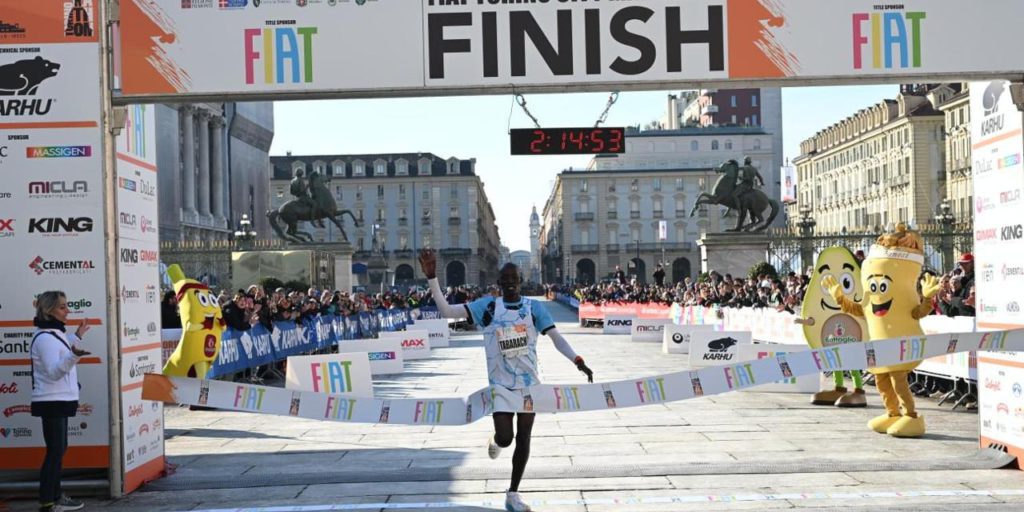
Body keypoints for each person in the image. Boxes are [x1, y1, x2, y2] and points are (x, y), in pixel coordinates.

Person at [417, 249, 593, 512]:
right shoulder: (488, 306)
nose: (510, 281)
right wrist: (432, 277)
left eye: (514, 277)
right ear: (499, 282)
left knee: (523, 438)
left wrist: (577, 360)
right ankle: (496, 441)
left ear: (520, 280)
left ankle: (513, 493)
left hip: (528, 384)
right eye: (505, 278)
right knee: (506, 437)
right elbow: (445, 311)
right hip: (500, 385)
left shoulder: (534, 308)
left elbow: (556, 338)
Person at [31, 291, 89, 512]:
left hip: (60, 398)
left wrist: (77, 337)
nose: (68, 311)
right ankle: (48, 501)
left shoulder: (55, 333)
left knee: (59, 448)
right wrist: (74, 355)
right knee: (55, 450)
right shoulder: (45, 337)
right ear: (49, 310)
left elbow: (62, 350)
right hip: (51, 400)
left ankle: (54, 496)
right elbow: (54, 371)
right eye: (63, 307)